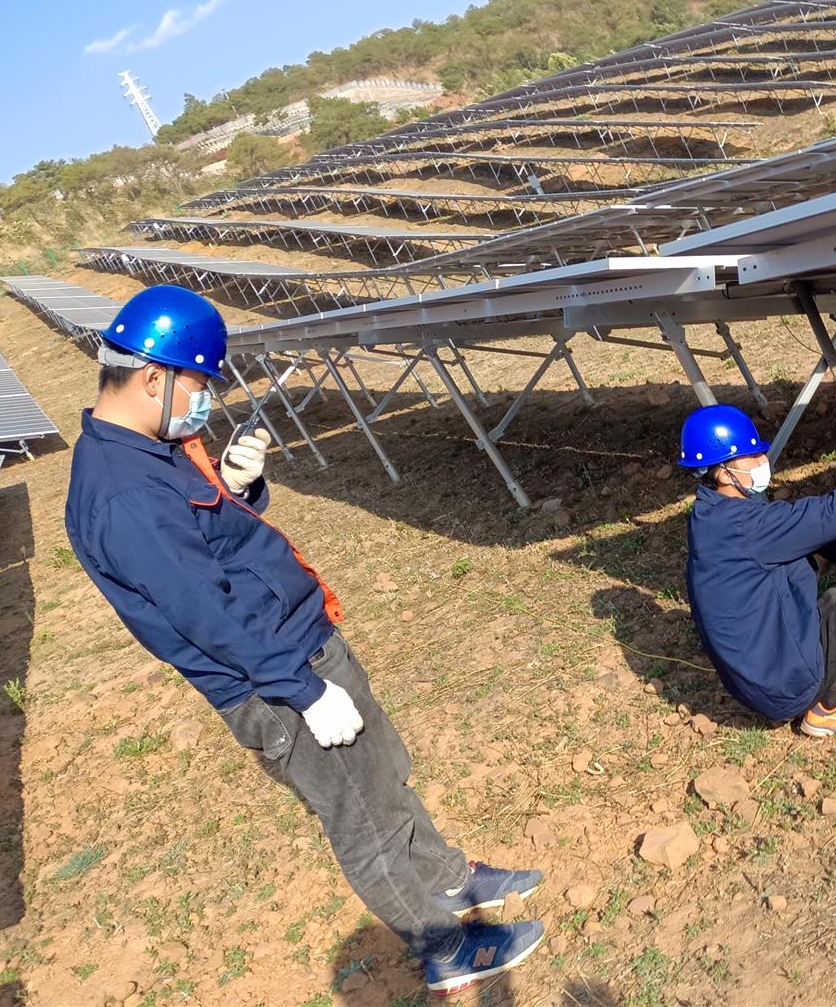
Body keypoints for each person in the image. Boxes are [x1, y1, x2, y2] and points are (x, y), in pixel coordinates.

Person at [63, 285, 543, 996]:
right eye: (198, 383)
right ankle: (443, 947)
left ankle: (449, 879)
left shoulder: (150, 451)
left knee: (385, 777)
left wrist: (237, 488)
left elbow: (210, 543)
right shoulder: (121, 490)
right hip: (278, 679)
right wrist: (303, 689)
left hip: (301, 644)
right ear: (153, 375)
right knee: (362, 818)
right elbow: (203, 610)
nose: (205, 399)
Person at [679, 404, 836, 737]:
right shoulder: (747, 525)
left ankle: (815, 681)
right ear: (724, 472)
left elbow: (807, 534)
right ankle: (830, 705)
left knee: (816, 560)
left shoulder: (714, 514)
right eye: (752, 457)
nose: (763, 462)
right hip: (786, 685)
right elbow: (832, 513)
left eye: (761, 452)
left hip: (758, 678)